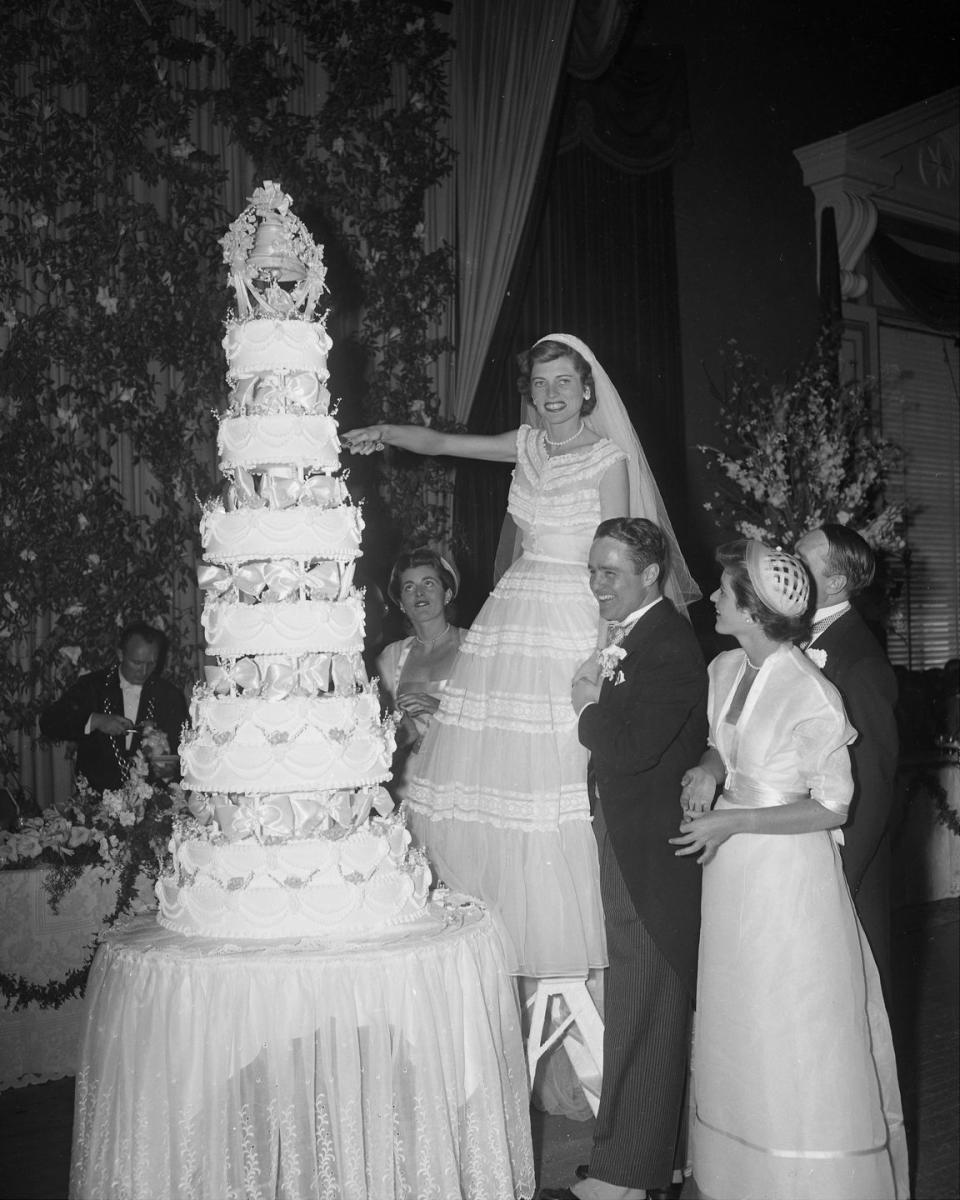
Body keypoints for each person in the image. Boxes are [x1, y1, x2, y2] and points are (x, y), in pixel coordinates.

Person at [342, 333, 700, 985]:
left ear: (586, 389)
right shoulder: (528, 445)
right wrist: (387, 431)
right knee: (494, 775)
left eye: (564, 381)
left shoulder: (607, 457)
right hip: (517, 611)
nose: (553, 394)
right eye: (541, 384)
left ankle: (587, 942)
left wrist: (606, 646)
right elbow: (446, 444)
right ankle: (502, 934)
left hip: (575, 605)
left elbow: (615, 554)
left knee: (562, 767)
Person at [673, 541, 908, 1200]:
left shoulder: (815, 692)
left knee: (791, 1026)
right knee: (738, 1018)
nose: (712, 599)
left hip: (789, 881)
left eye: (723, 591)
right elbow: (725, 743)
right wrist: (708, 771)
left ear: (752, 610)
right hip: (731, 877)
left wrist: (732, 820)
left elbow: (833, 804)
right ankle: (742, 1175)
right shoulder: (722, 667)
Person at [540, 519, 707, 1200]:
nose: (596, 584)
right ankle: (647, 1168)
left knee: (644, 1009)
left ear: (649, 572)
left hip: (650, 854)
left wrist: (588, 707)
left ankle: (621, 1182)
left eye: (609, 572)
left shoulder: (666, 643)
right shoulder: (636, 636)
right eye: (592, 570)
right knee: (646, 1010)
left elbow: (632, 747)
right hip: (629, 837)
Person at [795, 523, 899, 997]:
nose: (789, 567)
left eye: (802, 559)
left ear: (835, 582)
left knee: (856, 995)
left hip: (843, 855)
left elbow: (874, 780)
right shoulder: (793, 637)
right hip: (801, 845)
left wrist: (842, 873)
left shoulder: (859, 660)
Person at [39, 621, 189, 793]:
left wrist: (161, 757)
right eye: (137, 663)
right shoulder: (92, 686)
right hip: (94, 804)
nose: (144, 671)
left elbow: (180, 762)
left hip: (152, 805)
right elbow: (49, 723)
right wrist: (95, 720)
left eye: (152, 664)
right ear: (120, 654)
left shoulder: (169, 696)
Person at [375, 547, 466, 800]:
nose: (419, 593)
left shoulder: (473, 648)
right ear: (402, 605)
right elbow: (376, 724)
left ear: (447, 594)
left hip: (461, 776)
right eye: (409, 587)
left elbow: (497, 720)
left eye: (429, 583)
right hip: (410, 783)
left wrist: (441, 708)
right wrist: (403, 731)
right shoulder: (391, 657)